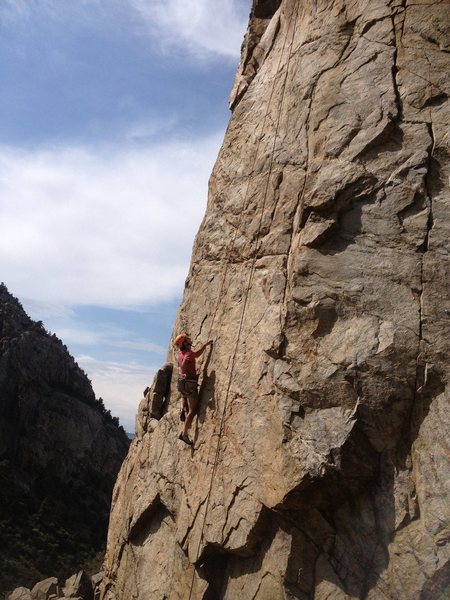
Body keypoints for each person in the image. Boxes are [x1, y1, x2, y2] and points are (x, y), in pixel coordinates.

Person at [174, 333, 212, 446]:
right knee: (193, 410)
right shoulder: (188, 354)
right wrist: (188, 373)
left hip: (182, 384)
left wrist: (205, 346)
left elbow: (195, 354)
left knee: (184, 395)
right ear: (185, 342)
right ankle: (184, 434)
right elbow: (186, 362)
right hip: (189, 383)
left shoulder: (182, 353)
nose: (190, 339)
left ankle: (183, 407)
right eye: (188, 339)